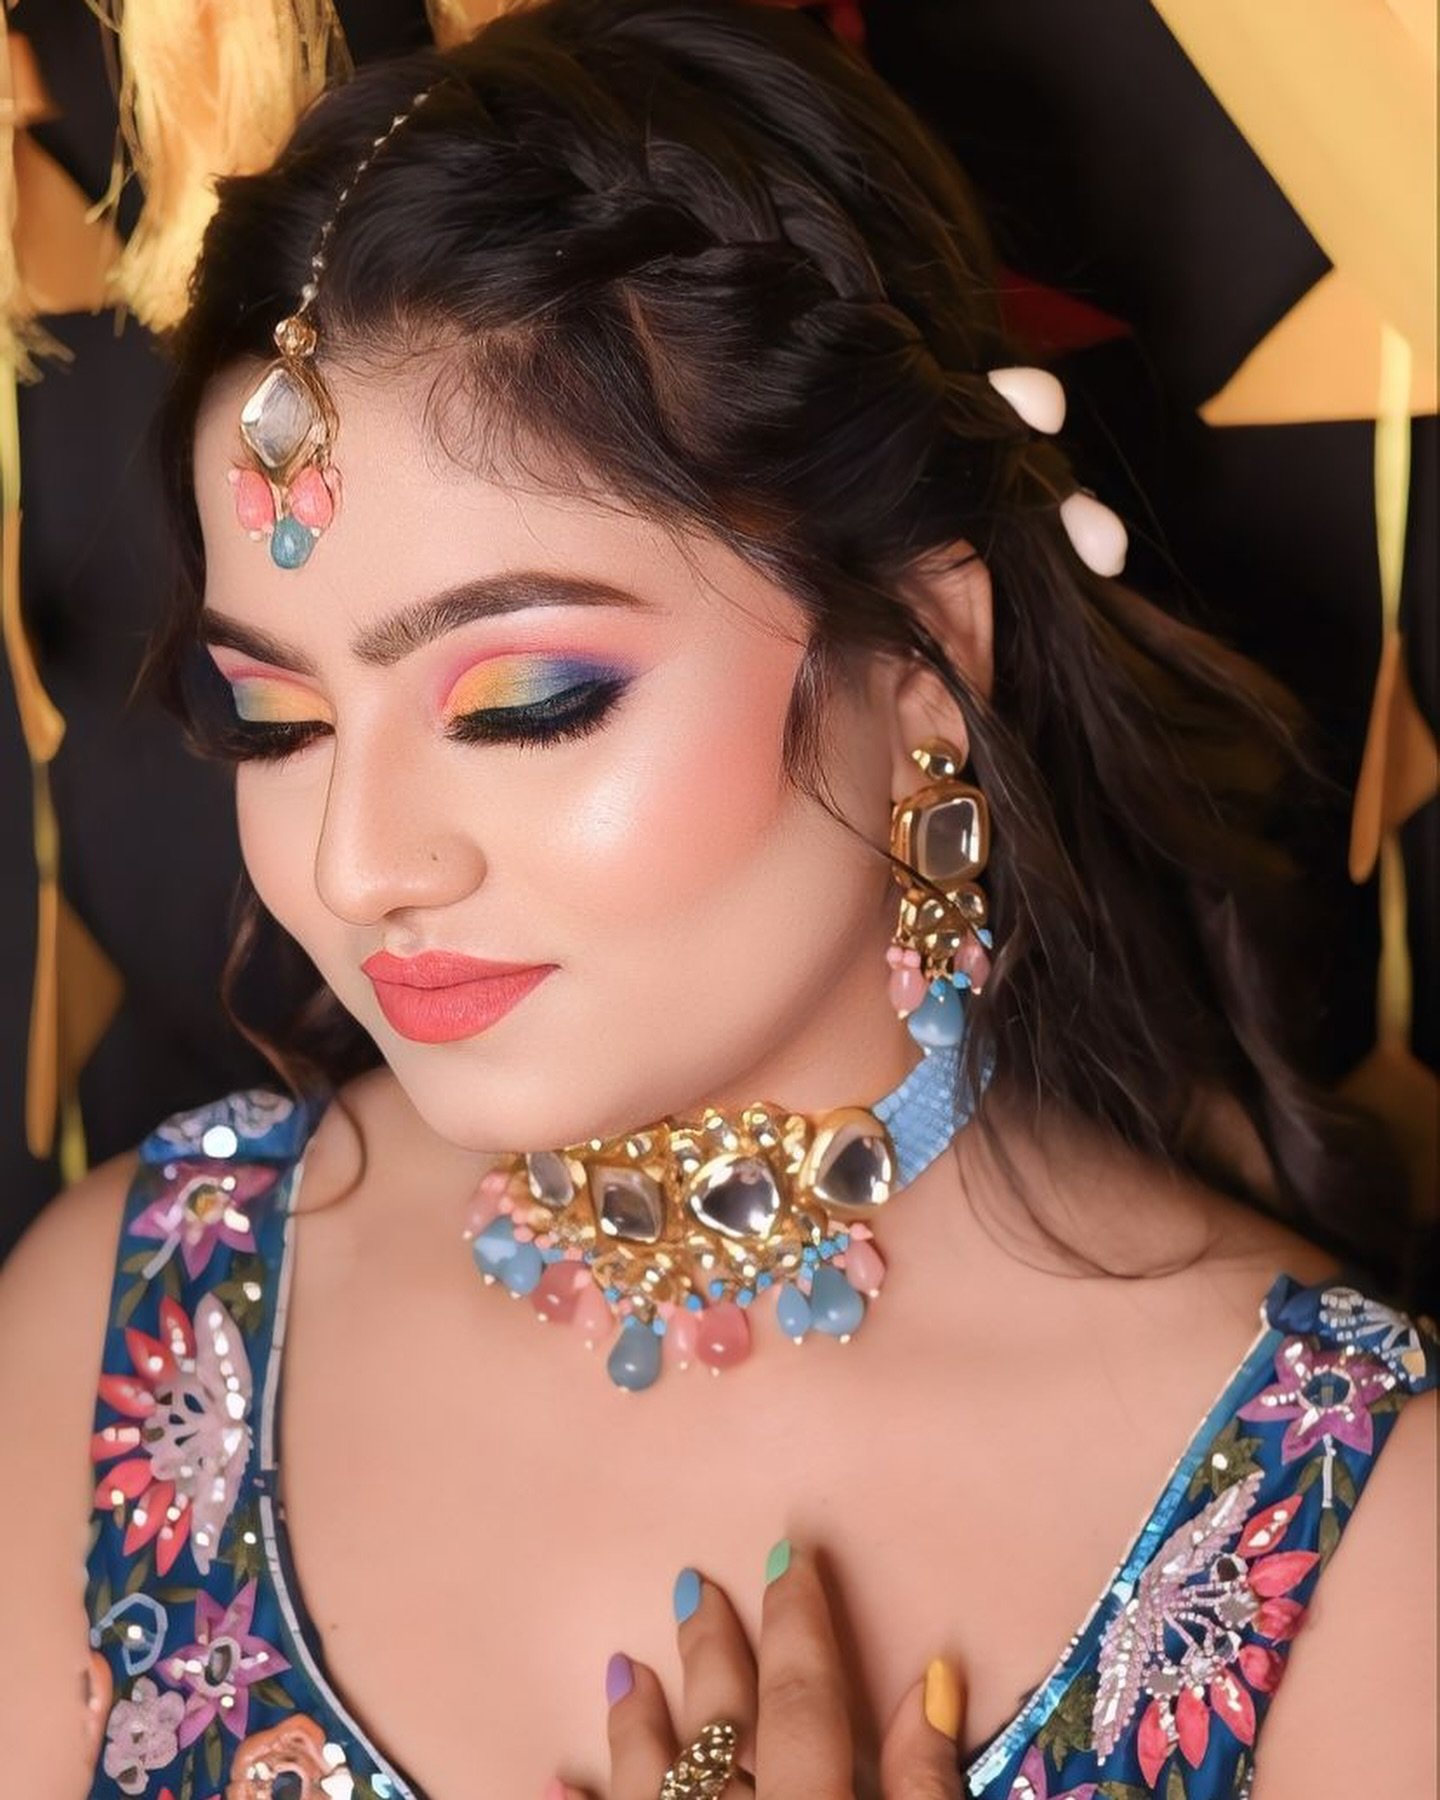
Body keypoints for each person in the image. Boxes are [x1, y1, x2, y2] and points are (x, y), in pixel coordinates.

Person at [2, 0, 1435, 1795]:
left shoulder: (1342, 1527)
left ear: (924, 658)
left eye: (528, 703)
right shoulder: (129, 1334)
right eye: (275, 721)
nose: (359, 863)